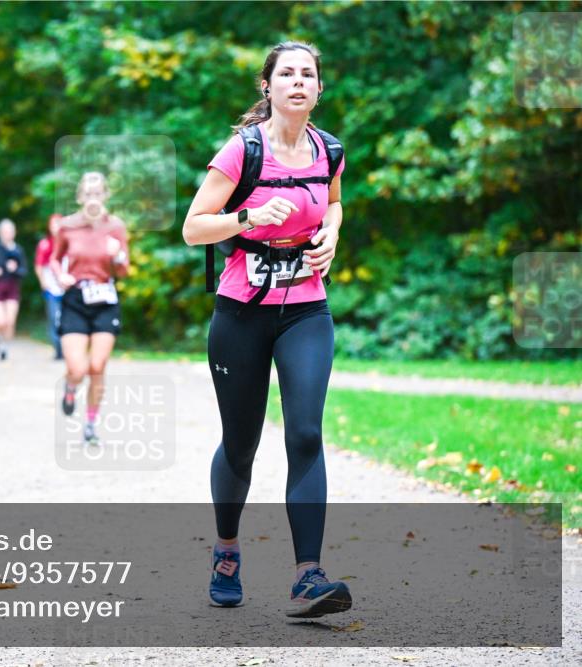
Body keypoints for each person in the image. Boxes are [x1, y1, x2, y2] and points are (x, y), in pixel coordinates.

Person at [182, 41, 351, 617]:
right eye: (287, 74)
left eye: (308, 74)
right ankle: (227, 549)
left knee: (304, 433)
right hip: (241, 315)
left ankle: (309, 576)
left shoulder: (329, 149)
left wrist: (331, 230)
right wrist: (247, 217)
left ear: (319, 89)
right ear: (269, 87)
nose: (298, 82)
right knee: (242, 442)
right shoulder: (241, 151)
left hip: (306, 309)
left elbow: (332, 202)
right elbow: (193, 228)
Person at [50, 172, 129, 445]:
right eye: (88, 194)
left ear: (105, 196)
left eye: (98, 194)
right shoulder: (67, 227)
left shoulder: (116, 227)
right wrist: (60, 277)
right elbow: (54, 260)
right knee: (77, 368)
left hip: (104, 298)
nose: (93, 199)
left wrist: (116, 254)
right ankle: (71, 387)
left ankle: (91, 424)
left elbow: (124, 269)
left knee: (97, 365)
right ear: (80, 197)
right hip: (75, 299)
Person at [0, 219, 27, 361]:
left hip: (12, 288)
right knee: (0, 321)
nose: (7, 234)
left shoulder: (18, 250)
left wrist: (15, 270)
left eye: (9, 231)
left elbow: (24, 271)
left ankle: (4, 347)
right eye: (4, 232)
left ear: (14, 233)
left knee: (10, 321)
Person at [35, 214, 65, 360]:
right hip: (52, 288)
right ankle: (57, 347)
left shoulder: (68, 243)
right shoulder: (45, 244)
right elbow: (39, 266)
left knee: (66, 318)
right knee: (53, 317)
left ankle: (66, 348)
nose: (56, 227)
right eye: (53, 224)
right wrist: (43, 282)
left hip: (67, 288)